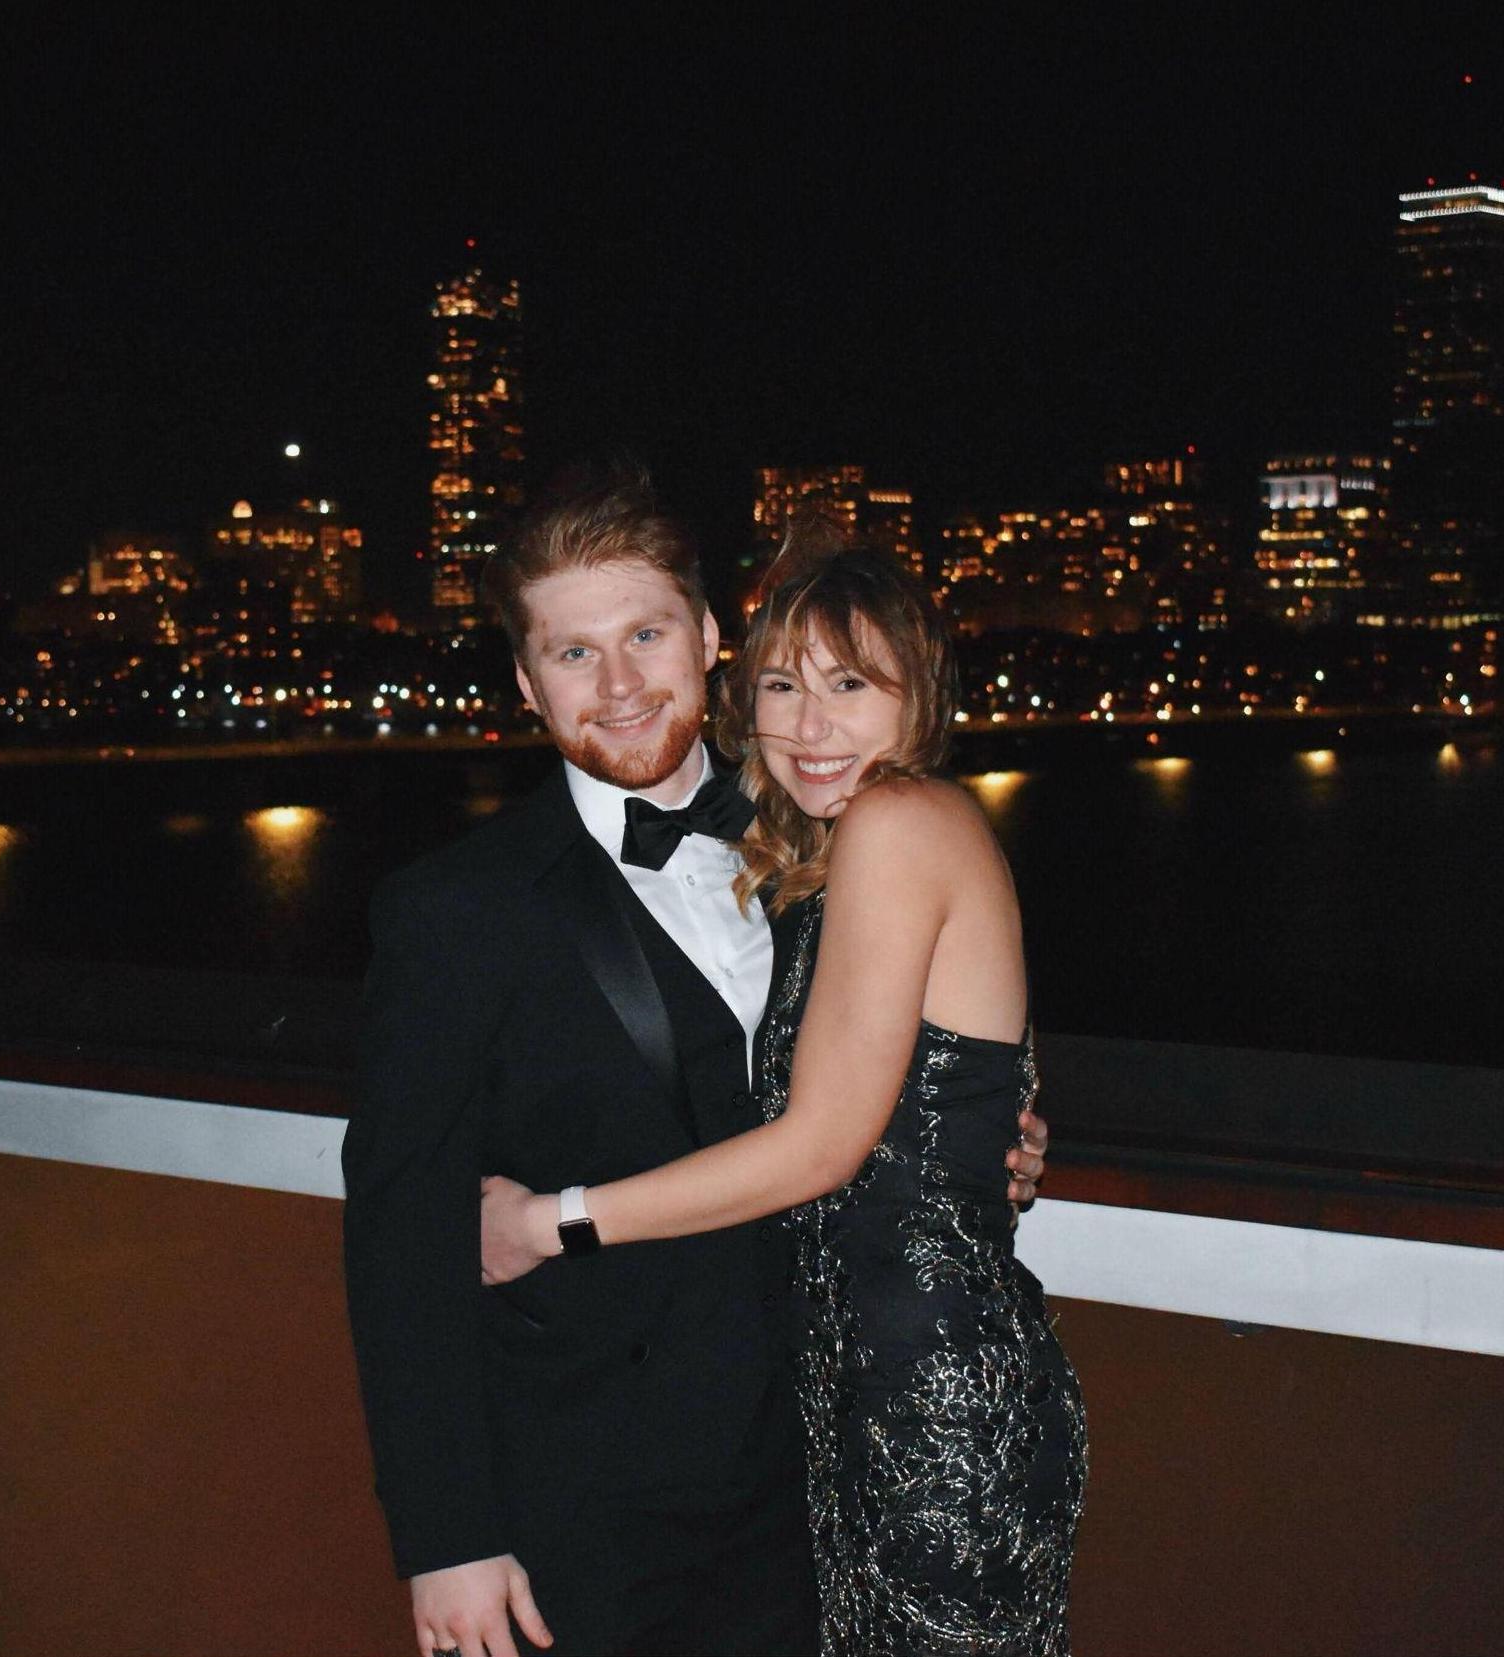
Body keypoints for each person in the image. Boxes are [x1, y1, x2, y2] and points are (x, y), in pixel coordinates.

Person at [341, 472, 1049, 1657]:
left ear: (711, 635)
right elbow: (401, 1236)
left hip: (817, 1468)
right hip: (589, 1499)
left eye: (646, 635)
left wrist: (984, 1142)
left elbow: (928, 1047)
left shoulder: (821, 827)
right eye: (573, 653)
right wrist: (445, 1534)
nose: (617, 687)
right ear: (524, 680)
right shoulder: (454, 908)